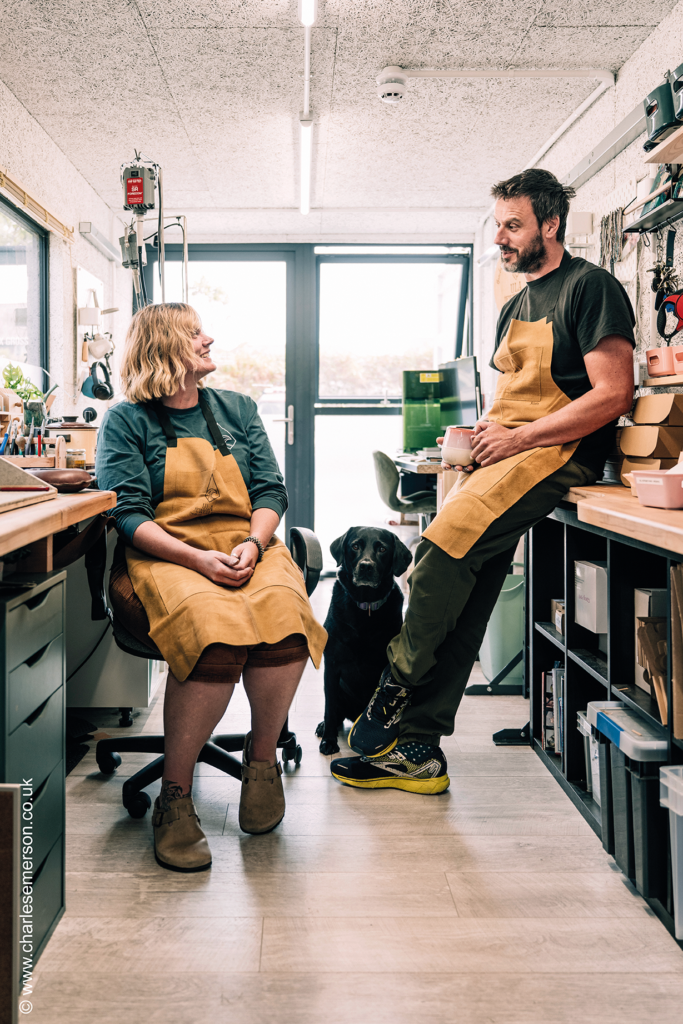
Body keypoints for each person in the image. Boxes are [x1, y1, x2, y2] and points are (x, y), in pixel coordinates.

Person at [330, 168, 635, 794]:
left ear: (550, 225)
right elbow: (510, 400)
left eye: (513, 225)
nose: (501, 236)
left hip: (560, 452)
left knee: (441, 549)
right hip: (509, 451)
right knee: (468, 598)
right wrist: (474, 441)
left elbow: (614, 394)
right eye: (498, 224)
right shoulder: (515, 306)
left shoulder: (590, 288)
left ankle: (392, 691)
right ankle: (418, 749)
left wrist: (521, 438)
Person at [96, 303, 327, 871]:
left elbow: (270, 489)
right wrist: (199, 560)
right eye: (195, 332)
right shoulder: (127, 421)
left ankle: (261, 762)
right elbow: (129, 515)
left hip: (245, 543)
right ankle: (175, 799)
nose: (209, 338)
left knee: (287, 616)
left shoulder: (237, 409)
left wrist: (254, 544)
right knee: (214, 629)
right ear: (165, 345)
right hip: (168, 551)